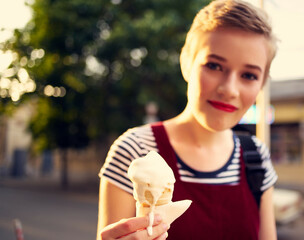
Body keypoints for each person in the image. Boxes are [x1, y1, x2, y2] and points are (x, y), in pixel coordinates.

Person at [97, 0, 278, 239]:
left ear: (262, 84)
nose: (229, 89)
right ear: (186, 63)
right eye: (214, 65)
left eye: (248, 75)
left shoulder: (257, 158)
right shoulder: (134, 151)